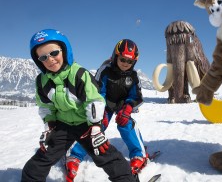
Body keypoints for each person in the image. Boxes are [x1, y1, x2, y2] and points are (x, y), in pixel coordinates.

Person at [21, 29, 135, 182]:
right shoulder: (42, 81)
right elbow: (46, 105)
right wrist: (49, 126)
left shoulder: (79, 74)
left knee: (105, 155)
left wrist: (95, 127)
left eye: (54, 53)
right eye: (43, 57)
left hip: (86, 125)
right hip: (62, 126)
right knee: (40, 160)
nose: (50, 59)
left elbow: (94, 100)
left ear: (65, 50)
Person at [65, 39, 148, 180]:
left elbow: (137, 97)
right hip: (105, 104)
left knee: (126, 124)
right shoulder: (105, 70)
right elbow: (96, 92)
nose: (125, 64)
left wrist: (128, 108)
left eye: (130, 62)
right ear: (115, 56)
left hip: (123, 105)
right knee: (96, 126)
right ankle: (74, 155)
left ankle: (139, 155)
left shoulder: (133, 76)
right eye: (122, 59)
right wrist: (100, 110)